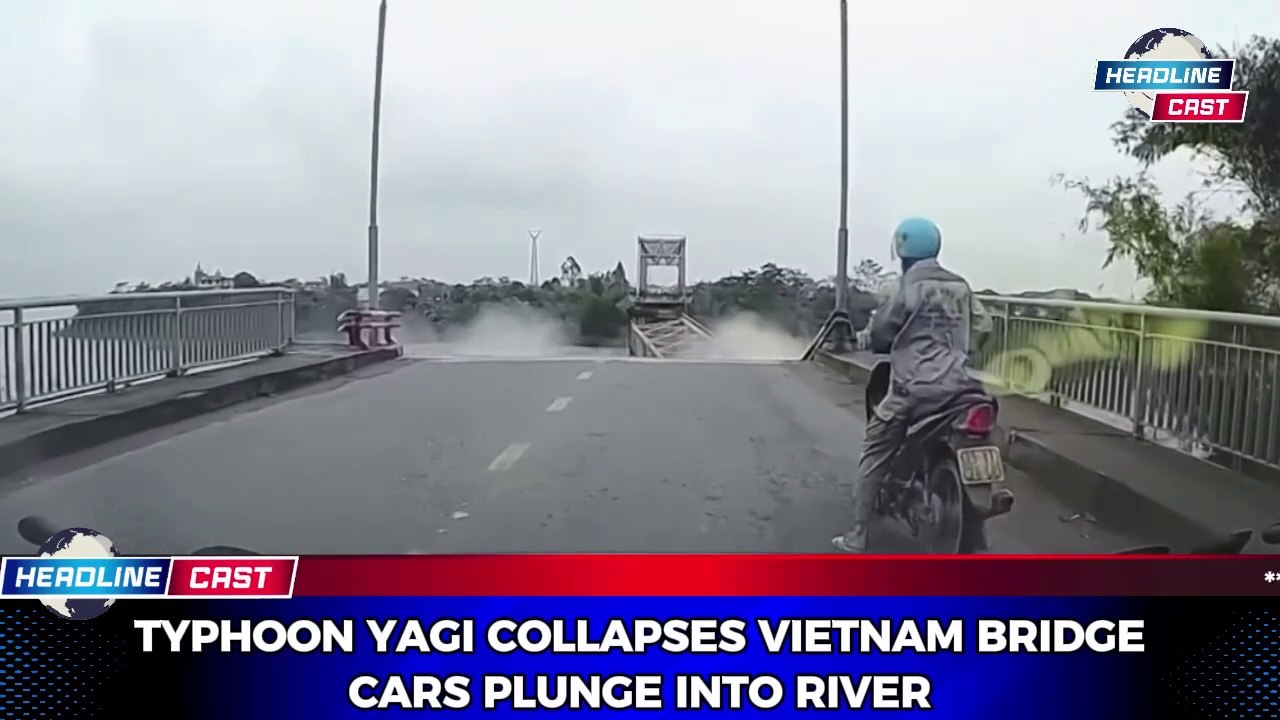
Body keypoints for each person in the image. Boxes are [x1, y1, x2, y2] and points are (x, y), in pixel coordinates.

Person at [832, 217, 991, 553]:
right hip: (959, 388)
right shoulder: (960, 285)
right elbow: (984, 326)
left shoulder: (906, 287)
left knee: (874, 452)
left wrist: (875, 340)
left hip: (913, 390)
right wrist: (963, 350)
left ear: (903, 248)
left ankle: (858, 535)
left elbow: (881, 332)